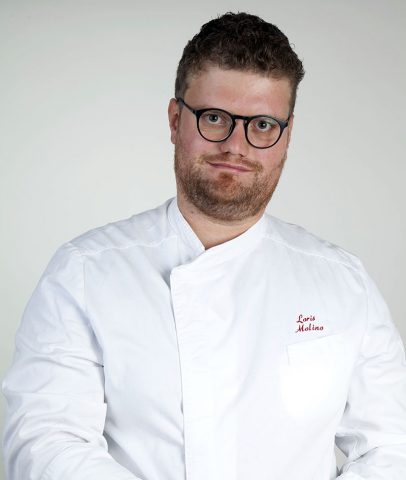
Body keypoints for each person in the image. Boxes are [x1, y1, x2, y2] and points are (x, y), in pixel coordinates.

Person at [2, 11, 406, 480]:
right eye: (214, 118)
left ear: (287, 135)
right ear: (175, 121)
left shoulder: (343, 283)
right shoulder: (84, 273)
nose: (236, 146)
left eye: (262, 124)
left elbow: (393, 447)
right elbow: (43, 441)